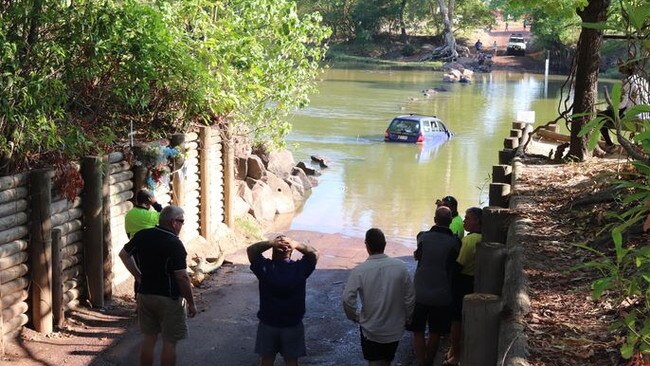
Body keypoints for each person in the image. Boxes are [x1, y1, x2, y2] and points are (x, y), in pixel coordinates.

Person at [118, 205, 196, 366]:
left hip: (145, 294)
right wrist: (191, 301)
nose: (182, 225)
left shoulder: (143, 235)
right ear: (174, 222)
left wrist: (138, 275)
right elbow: (182, 276)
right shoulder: (174, 244)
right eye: (182, 221)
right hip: (169, 298)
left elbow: (124, 254)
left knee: (149, 338)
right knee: (169, 342)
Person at [343, 228, 416, 366]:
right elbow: (410, 297)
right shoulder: (400, 267)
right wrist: (408, 317)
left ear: (367, 245)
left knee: (374, 362)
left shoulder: (359, 271)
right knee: (387, 361)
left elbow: (347, 299)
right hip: (394, 329)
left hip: (371, 330)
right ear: (385, 244)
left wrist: (355, 316)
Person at [247, 235, 319, 366]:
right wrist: (296, 243)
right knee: (292, 362)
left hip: (268, 324)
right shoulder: (299, 269)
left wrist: (271, 242)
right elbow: (314, 254)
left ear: (273, 251)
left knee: (266, 361)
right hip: (292, 325)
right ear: (291, 252)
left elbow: (251, 250)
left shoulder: (265, 268)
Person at [409, 206, 461, 366]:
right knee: (435, 332)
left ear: (434, 219)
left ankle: (421, 361)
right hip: (442, 294)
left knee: (417, 330)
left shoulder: (422, 237)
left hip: (419, 292)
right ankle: (428, 362)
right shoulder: (455, 242)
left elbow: (419, 254)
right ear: (451, 221)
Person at [444, 207, 483, 366]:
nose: (465, 221)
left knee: (456, 319)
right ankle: (455, 351)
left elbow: (459, 265)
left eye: (468, 218)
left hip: (463, 281)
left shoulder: (469, 240)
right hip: (475, 281)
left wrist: (447, 279)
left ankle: (456, 354)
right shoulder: (482, 237)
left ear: (477, 222)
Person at [599, 60, 650, 147]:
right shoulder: (642, 81)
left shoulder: (628, 81)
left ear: (627, 70)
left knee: (599, 116)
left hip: (632, 117)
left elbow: (622, 104)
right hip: (646, 116)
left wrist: (611, 104)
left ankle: (610, 144)